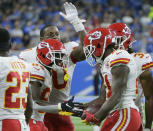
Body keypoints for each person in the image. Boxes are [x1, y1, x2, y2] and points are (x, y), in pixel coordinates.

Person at [20, 2, 86, 131]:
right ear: (41, 39)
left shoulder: (66, 50)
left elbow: (87, 49)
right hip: (38, 108)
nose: (55, 37)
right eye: (50, 35)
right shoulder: (28, 55)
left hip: (60, 107)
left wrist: (76, 23)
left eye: (57, 34)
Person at [82, 28, 142, 131]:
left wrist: (97, 117)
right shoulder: (109, 60)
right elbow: (104, 98)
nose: (91, 53)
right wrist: (81, 107)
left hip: (124, 113)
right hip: (118, 113)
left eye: (91, 48)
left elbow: (116, 96)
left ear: (100, 45)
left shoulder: (118, 56)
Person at [108, 23, 153, 130]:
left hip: (133, 116)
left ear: (127, 40)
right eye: (111, 41)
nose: (113, 44)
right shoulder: (108, 60)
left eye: (117, 40)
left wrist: (147, 128)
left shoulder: (140, 60)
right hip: (112, 115)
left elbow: (149, 98)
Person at [0, 28, 32, 131]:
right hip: (22, 123)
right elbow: (30, 107)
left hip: (3, 122)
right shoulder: (24, 64)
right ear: (10, 45)